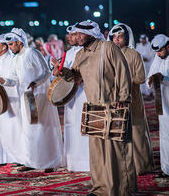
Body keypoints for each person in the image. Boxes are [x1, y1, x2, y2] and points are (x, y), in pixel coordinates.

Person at [53, 20, 136, 196]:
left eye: (80, 33)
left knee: (117, 151)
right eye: (76, 34)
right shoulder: (80, 55)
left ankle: (123, 190)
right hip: (94, 107)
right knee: (97, 152)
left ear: (91, 33)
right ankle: (100, 189)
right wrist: (62, 72)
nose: (78, 37)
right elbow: (75, 77)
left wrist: (123, 97)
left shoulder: (108, 47)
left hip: (114, 105)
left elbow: (123, 72)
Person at [0, 28, 63, 173]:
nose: (9, 48)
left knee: (42, 129)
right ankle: (31, 161)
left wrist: (36, 83)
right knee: (28, 129)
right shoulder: (15, 58)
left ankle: (49, 162)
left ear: (19, 42)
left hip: (39, 98)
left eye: (11, 45)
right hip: (27, 98)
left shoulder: (32, 53)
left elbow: (46, 73)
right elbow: (13, 80)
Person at [108, 23, 154, 176]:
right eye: (114, 37)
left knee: (136, 131)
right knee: (116, 132)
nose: (117, 40)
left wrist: (123, 80)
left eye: (120, 37)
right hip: (114, 100)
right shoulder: (109, 55)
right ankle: (121, 167)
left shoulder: (134, 55)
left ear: (127, 38)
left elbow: (141, 78)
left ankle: (141, 166)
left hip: (132, 99)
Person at [0, 34, 23, 166]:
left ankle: (18, 158)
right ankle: (2, 158)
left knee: (14, 127)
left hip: (12, 96)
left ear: (4, 46)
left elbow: (15, 79)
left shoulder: (12, 58)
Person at [58, 25, 89, 172]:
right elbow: (64, 73)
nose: (70, 38)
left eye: (72, 35)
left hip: (84, 95)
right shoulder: (68, 53)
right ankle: (73, 162)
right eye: (69, 36)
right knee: (71, 127)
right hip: (70, 97)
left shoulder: (87, 52)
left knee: (83, 126)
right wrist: (57, 70)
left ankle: (86, 162)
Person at [147, 34, 169, 177]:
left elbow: (164, 76)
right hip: (164, 106)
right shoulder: (158, 57)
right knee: (165, 137)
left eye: (160, 51)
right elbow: (150, 77)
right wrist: (151, 80)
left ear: (168, 46)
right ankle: (166, 169)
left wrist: (164, 77)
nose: (158, 54)